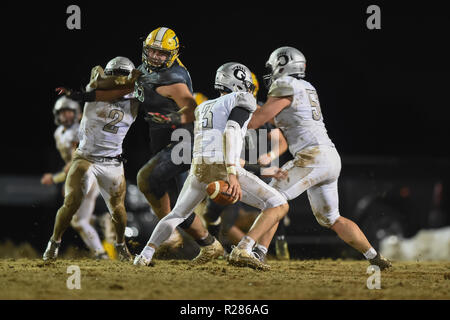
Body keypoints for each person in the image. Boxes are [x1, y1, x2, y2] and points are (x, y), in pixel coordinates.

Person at [133, 62, 289, 270]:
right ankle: (244, 248)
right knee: (279, 204)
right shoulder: (242, 99)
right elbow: (231, 131)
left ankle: (144, 255)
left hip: (198, 165)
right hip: (221, 165)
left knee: (177, 214)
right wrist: (232, 172)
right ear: (239, 81)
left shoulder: (204, 106)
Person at [247, 46, 392, 270]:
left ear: (282, 64)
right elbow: (283, 119)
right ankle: (374, 257)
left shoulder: (284, 85)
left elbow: (258, 121)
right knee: (331, 219)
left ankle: (255, 251)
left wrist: (237, 110)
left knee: (272, 198)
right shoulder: (307, 87)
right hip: (329, 157)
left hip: (312, 156)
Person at [42, 56, 139, 262]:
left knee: (118, 210)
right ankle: (54, 242)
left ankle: (120, 245)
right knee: (71, 203)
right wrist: (130, 80)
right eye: (115, 75)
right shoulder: (96, 88)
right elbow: (98, 77)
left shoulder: (135, 99)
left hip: (113, 161)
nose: (117, 80)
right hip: (86, 157)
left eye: (123, 76)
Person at [41, 96, 108, 259]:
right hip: (81, 174)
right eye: (63, 112)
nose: (66, 116)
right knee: (80, 221)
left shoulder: (79, 131)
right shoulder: (59, 133)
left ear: (77, 113)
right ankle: (99, 250)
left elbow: (74, 162)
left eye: (69, 112)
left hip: (88, 173)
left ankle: (100, 252)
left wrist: (57, 179)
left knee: (78, 220)